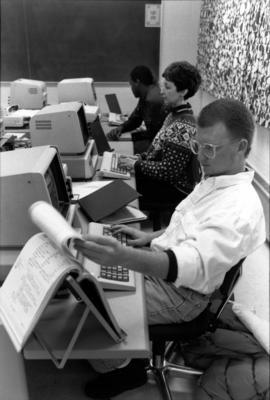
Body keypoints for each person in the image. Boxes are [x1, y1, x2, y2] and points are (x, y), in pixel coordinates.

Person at [74, 98, 266, 398]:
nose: (201, 157)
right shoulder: (219, 177)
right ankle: (124, 353)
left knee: (93, 302)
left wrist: (126, 256)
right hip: (169, 272)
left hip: (182, 295)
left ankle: (126, 370)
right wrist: (150, 238)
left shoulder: (238, 208)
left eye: (210, 149)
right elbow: (189, 225)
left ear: (241, 147)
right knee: (91, 277)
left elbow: (192, 263)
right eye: (198, 146)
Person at [119, 61, 202, 206]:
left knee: (121, 188)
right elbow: (155, 150)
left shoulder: (182, 125)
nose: (162, 91)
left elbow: (168, 171)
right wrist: (137, 158)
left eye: (168, 87)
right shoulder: (173, 115)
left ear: (183, 91)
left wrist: (137, 165)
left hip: (173, 191)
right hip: (163, 183)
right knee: (121, 177)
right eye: (163, 85)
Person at [107, 65, 168, 153]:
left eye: (131, 85)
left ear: (137, 82)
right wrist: (121, 128)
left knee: (124, 151)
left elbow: (155, 136)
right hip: (154, 140)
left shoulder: (153, 99)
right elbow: (136, 119)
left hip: (160, 148)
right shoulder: (145, 95)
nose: (131, 88)